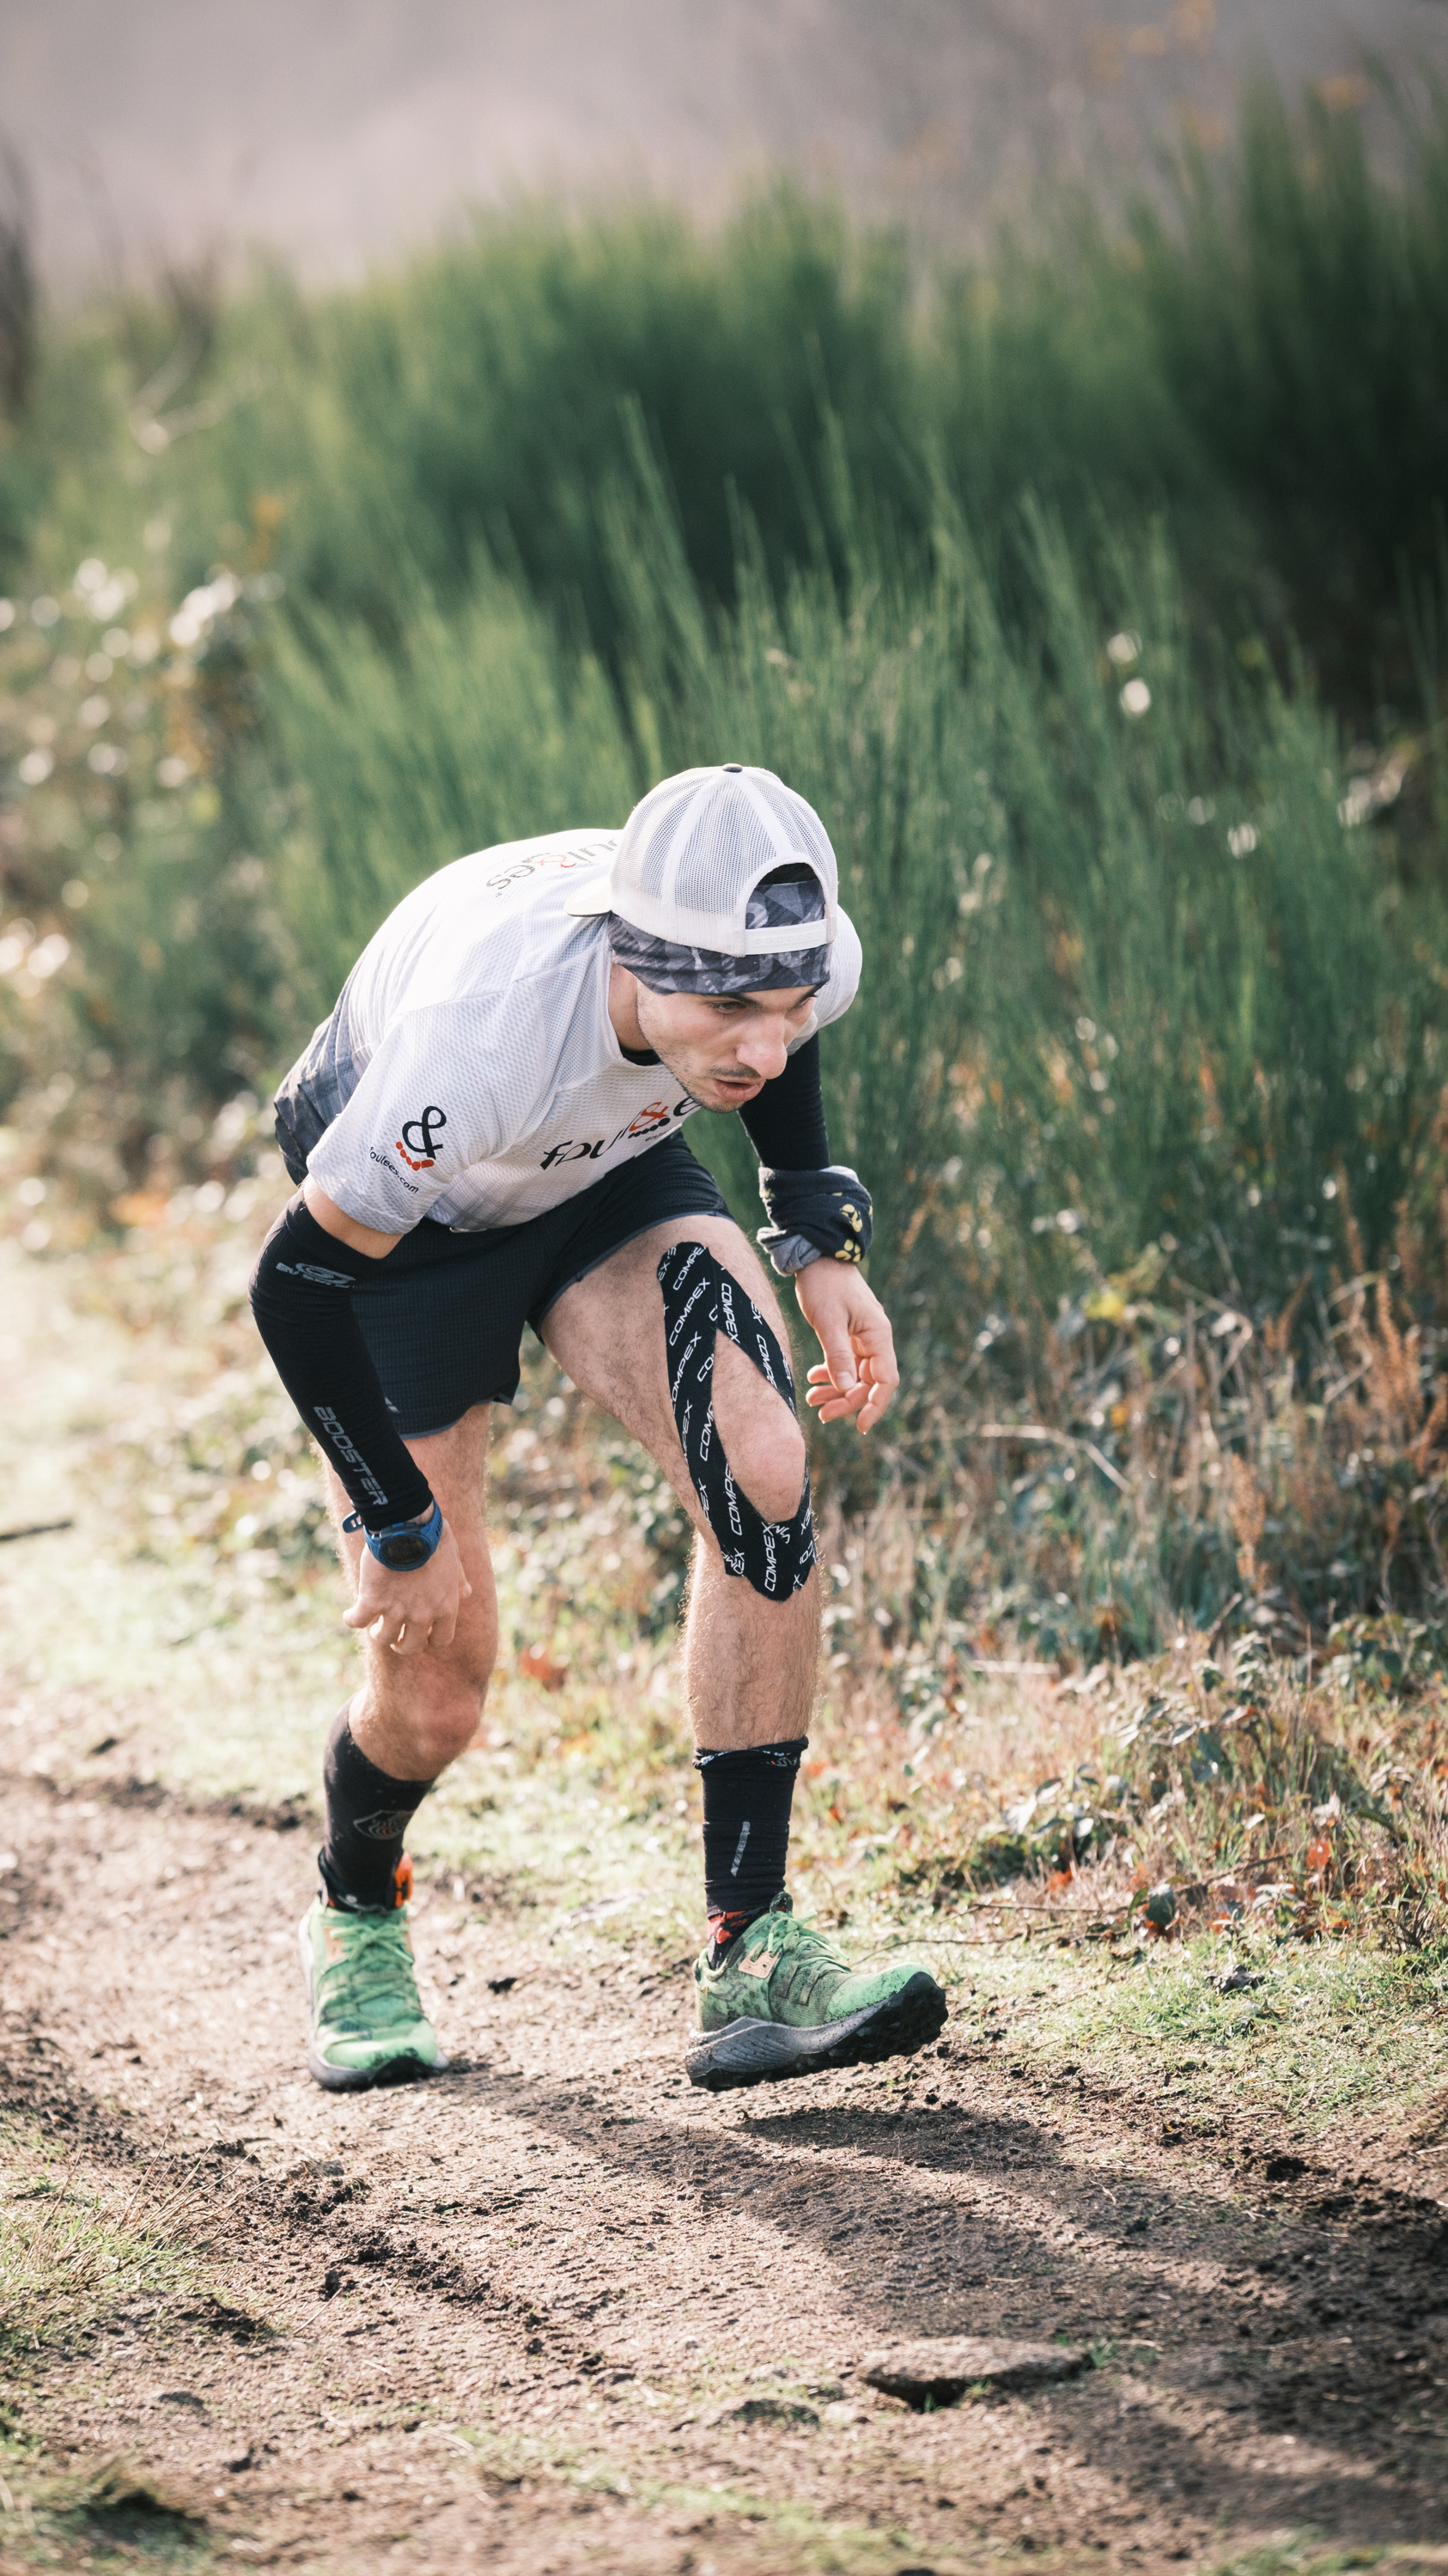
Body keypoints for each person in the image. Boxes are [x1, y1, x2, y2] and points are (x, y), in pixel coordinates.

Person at [250, 763, 946, 2094]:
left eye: (790, 1008)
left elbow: (773, 1046)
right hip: (414, 1232)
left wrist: (815, 1233)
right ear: (635, 955)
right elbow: (293, 1285)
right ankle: (356, 1903)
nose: (764, 1047)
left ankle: (750, 1951)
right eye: (727, 1009)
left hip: (604, 1173)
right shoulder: (478, 1038)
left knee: (763, 1465)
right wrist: (396, 1522)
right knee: (437, 1693)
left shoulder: (798, 961)